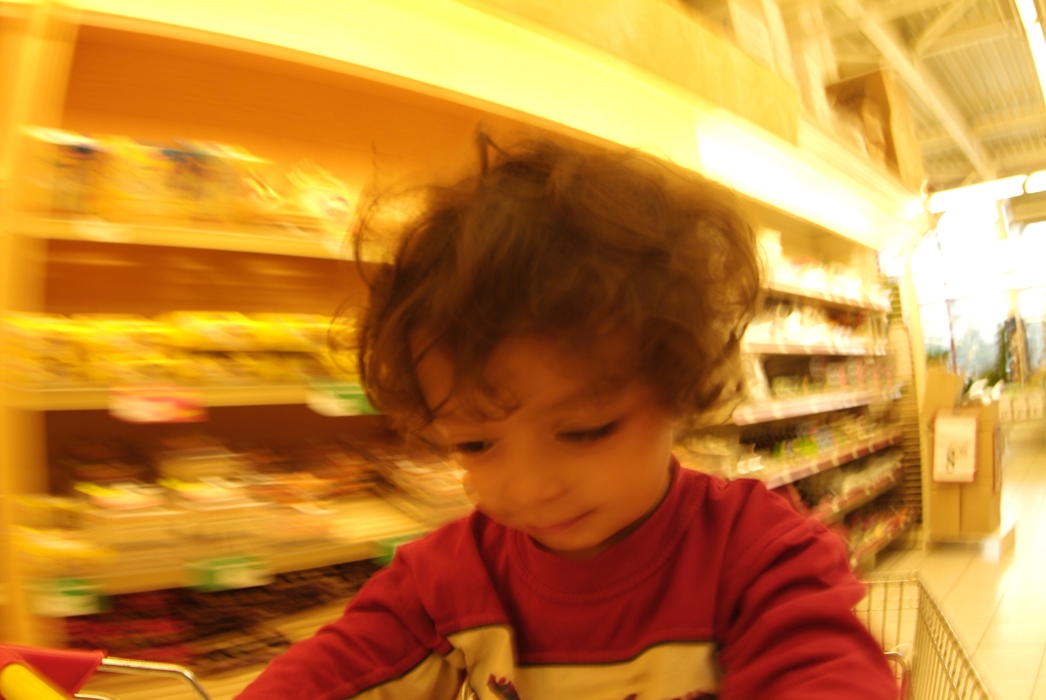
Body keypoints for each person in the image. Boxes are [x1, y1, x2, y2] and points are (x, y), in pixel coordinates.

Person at [235, 135, 898, 699]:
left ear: (679, 387)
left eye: (585, 430)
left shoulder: (758, 559)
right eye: (475, 443)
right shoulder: (448, 580)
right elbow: (327, 670)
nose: (528, 487)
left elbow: (822, 669)